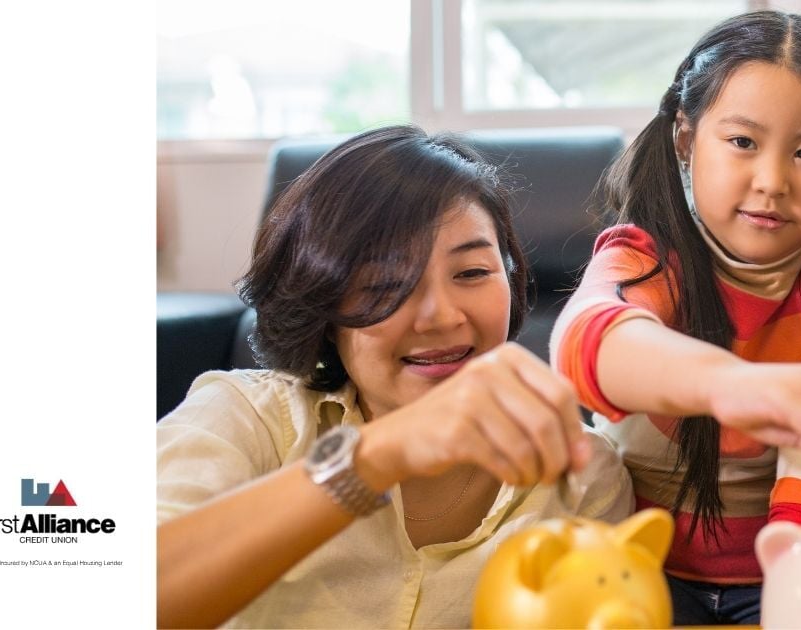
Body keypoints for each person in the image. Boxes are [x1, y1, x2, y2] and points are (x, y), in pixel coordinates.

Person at [155, 125, 637, 629]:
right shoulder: (244, 418)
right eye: (386, 284)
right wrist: (375, 457)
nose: (440, 317)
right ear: (324, 300)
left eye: (472, 273)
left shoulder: (581, 475)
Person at [549, 10, 801, 625]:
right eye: (742, 142)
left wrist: (792, 592)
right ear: (686, 138)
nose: (772, 181)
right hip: (634, 566)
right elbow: (584, 347)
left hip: (787, 568)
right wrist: (733, 383)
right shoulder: (644, 257)